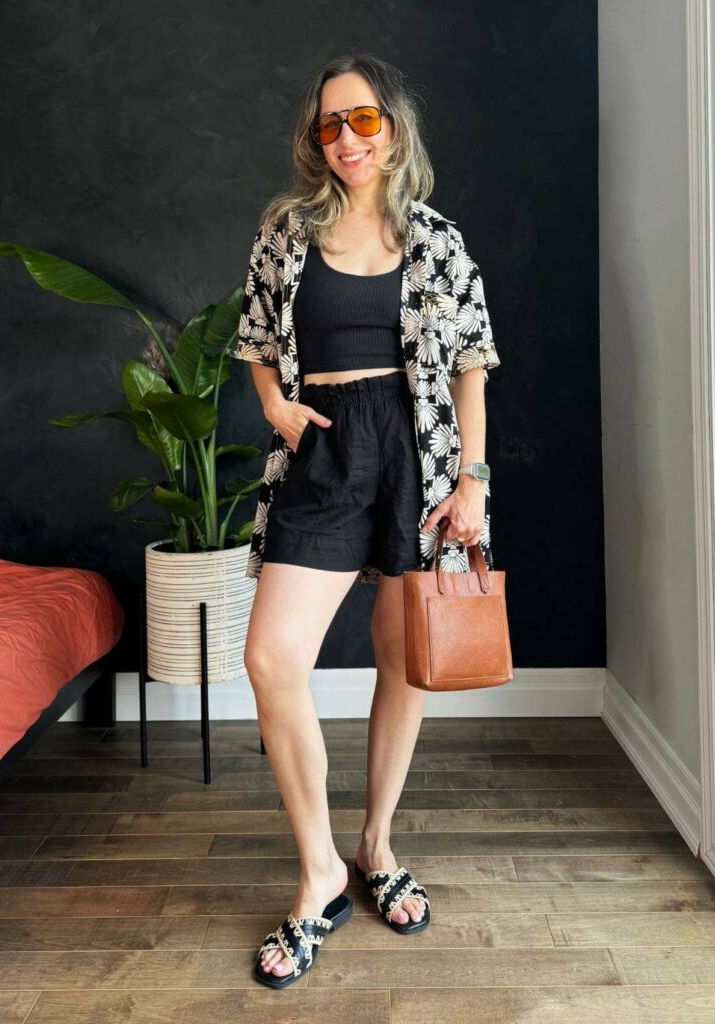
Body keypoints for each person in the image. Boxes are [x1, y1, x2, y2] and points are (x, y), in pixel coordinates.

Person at [235, 53, 501, 989]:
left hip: (417, 457)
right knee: (272, 657)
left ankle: (376, 848)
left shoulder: (437, 240)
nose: (344, 139)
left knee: (404, 656)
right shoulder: (286, 232)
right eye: (328, 127)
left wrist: (471, 480)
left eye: (362, 121)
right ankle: (319, 878)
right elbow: (256, 343)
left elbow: (471, 362)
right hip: (322, 448)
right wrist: (273, 404)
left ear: (394, 125)